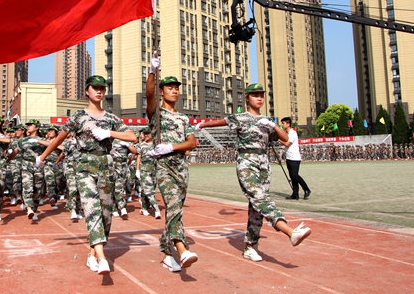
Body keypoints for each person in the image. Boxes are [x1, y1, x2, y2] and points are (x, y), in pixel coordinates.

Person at [196, 83, 312, 262]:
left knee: (256, 209)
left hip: (264, 164)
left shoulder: (266, 121)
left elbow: (286, 138)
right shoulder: (240, 117)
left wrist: (272, 125)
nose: (259, 98)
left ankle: (250, 246)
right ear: (247, 98)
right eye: (255, 95)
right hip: (247, 161)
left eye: (261, 95)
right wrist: (202, 125)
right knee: (261, 199)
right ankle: (290, 232)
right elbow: (221, 121)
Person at [38, 75, 137, 275]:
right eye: (95, 87)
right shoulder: (78, 117)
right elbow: (59, 138)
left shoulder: (111, 119)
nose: (99, 91)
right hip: (84, 164)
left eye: (102, 88)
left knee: (106, 213)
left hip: (105, 164)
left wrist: (110, 133)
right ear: (87, 90)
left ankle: (93, 253)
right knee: (91, 208)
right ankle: (102, 258)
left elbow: (132, 137)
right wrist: (42, 157)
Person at [145, 52, 198, 273]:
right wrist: (152, 71)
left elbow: (192, 142)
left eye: (176, 87)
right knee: (174, 205)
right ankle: (181, 249)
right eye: (169, 87)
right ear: (162, 91)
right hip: (164, 167)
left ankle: (166, 254)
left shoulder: (184, 117)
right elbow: (148, 94)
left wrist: (173, 147)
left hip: (180, 167)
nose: (174, 90)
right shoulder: (156, 113)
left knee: (176, 211)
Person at [279, 117, 311, 200]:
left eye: (283, 123)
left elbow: (287, 144)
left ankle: (306, 189)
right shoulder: (286, 133)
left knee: (295, 175)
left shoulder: (292, 133)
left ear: (288, 124)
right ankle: (295, 193)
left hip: (295, 158)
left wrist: (279, 140)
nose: (282, 125)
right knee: (292, 176)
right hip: (289, 157)